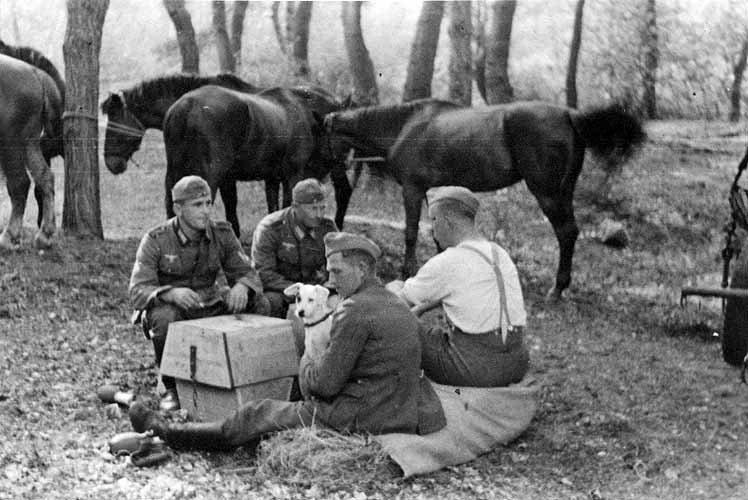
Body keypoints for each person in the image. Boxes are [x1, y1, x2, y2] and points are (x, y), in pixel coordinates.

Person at [128, 232, 446, 450]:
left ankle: (171, 433)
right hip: (400, 410)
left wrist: (307, 356)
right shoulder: (394, 301)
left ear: (362, 269)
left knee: (256, 412)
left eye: (337, 271)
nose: (330, 280)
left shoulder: (354, 309)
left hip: (364, 416)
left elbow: (322, 386)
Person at [129, 175, 270, 412]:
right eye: (197, 205)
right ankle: (172, 387)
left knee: (260, 303)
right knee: (164, 317)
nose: (206, 211)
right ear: (178, 208)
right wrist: (170, 293)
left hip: (210, 303)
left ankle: (252, 378)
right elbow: (137, 291)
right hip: (177, 311)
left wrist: (242, 286)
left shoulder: (221, 233)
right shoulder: (156, 239)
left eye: (208, 203)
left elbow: (248, 272)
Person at [387, 186, 530, 388]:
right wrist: (421, 308)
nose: (432, 229)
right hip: (516, 362)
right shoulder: (498, 253)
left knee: (397, 320)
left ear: (447, 221)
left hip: (476, 368)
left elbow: (395, 302)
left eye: (433, 220)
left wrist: (392, 288)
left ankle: (397, 394)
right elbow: (465, 290)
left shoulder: (448, 261)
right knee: (434, 332)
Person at [251, 178, 338, 319]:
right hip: (282, 290)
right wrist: (300, 291)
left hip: (315, 290)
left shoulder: (327, 228)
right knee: (269, 303)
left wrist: (329, 289)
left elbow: (338, 264)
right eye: (313, 208)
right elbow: (264, 274)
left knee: (343, 305)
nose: (319, 215)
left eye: (322, 208)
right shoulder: (271, 228)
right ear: (295, 207)